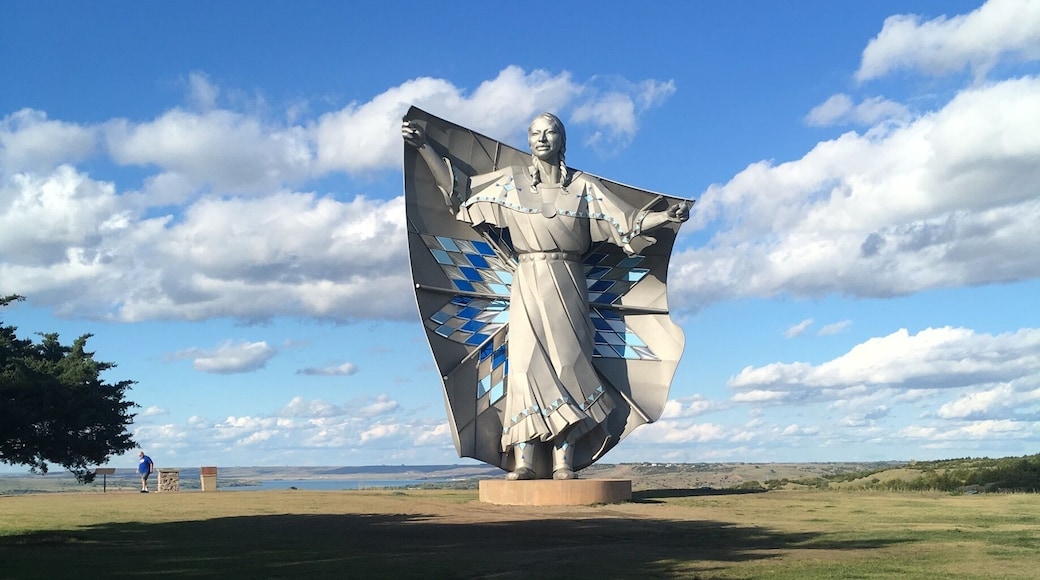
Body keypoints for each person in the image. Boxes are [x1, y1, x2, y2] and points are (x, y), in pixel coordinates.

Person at [403, 113, 690, 480]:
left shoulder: (584, 189)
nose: (542, 138)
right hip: (526, 280)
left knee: (569, 364)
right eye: (534, 133)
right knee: (524, 367)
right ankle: (523, 459)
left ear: (562, 139)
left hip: (569, 281)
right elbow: (460, 194)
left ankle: (563, 459)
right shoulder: (511, 183)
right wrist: (424, 146)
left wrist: (666, 216)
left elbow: (627, 223)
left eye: (549, 131)